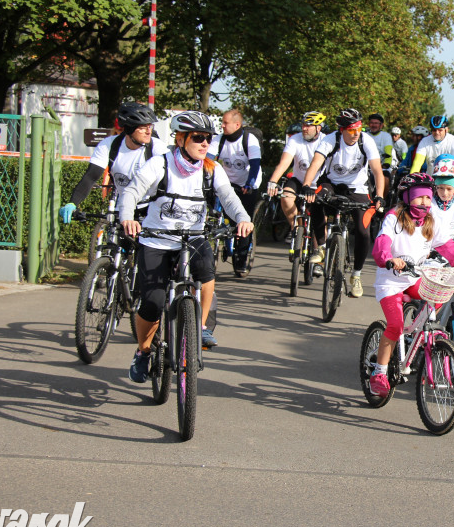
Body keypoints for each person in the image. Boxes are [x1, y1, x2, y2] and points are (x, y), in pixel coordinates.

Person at [119, 111, 253, 382]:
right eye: (198, 138)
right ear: (180, 139)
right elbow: (132, 191)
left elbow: (228, 197)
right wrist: (127, 218)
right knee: (153, 303)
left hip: (192, 237)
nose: (205, 144)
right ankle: (143, 351)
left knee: (206, 268)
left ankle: (200, 327)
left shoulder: (211, 169)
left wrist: (243, 218)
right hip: (157, 239)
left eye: (209, 139)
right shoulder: (160, 164)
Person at [368, 172, 454, 397]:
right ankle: (379, 372)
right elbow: (383, 241)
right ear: (407, 197)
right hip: (390, 281)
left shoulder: (431, 220)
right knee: (395, 326)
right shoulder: (394, 218)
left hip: (415, 277)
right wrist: (388, 258)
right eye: (419, 197)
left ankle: (416, 336)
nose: (425, 202)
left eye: (427, 197)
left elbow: (447, 245)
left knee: (438, 296)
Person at [301, 108, 386, 298]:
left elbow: (377, 171)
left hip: (358, 188)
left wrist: (379, 196)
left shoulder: (366, 141)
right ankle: (321, 247)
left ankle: (356, 275)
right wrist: (307, 185)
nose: (356, 133)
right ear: (342, 130)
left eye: (359, 129)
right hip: (332, 184)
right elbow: (316, 163)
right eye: (351, 130)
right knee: (315, 200)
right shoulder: (330, 139)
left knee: (363, 231)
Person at [60, 102, 167, 222]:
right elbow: (91, 177)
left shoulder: (157, 148)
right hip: (123, 207)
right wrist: (72, 203)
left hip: (151, 207)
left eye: (150, 126)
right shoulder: (109, 145)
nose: (148, 132)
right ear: (129, 129)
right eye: (142, 128)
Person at [266, 111, 328, 261]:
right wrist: (273, 181)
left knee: (320, 220)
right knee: (285, 197)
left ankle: (319, 256)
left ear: (318, 128)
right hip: (299, 180)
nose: (304, 128)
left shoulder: (326, 141)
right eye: (303, 125)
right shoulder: (295, 139)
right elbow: (284, 163)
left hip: (318, 183)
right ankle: (298, 229)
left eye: (308, 126)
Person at [208, 108, 262, 267]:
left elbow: (255, 165)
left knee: (244, 219)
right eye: (222, 122)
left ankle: (241, 257)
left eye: (225, 123)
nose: (222, 126)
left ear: (237, 124)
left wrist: (249, 184)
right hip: (227, 181)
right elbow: (208, 161)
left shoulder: (249, 139)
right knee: (223, 214)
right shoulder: (219, 139)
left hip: (247, 182)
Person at [410, 115, 454, 188]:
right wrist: (411, 180)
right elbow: (417, 163)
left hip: (449, 182)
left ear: (446, 129)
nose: (437, 132)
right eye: (434, 130)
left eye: (440, 130)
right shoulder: (424, 141)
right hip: (431, 181)